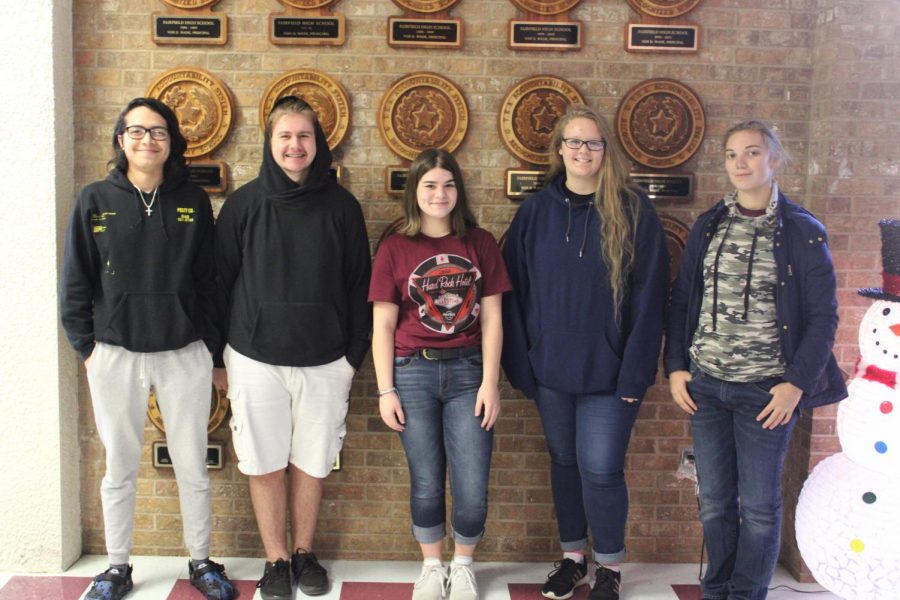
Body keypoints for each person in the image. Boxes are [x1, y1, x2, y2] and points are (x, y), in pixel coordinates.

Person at [60, 98, 236, 600]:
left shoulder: (193, 201)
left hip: (183, 352)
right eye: (136, 131)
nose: (147, 140)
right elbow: (75, 280)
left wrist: (211, 350)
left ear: (171, 143)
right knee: (120, 464)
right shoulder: (94, 199)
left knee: (191, 464)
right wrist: (87, 348)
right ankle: (117, 567)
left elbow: (209, 281)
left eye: (158, 132)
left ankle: (202, 562)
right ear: (121, 140)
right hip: (114, 353)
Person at [664, 119, 847, 600]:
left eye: (750, 153)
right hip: (706, 387)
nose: (739, 164)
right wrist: (676, 367)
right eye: (730, 155)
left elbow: (824, 316)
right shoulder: (709, 226)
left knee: (761, 508)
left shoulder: (802, 231)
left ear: (774, 160)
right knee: (716, 503)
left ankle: (746, 594)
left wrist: (795, 384)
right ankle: (717, 588)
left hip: (765, 395)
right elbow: (683, 300)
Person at [501, 105, 669, 600]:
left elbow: (651, 296)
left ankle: (610, 567)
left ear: (605, 150)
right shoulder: (535, 211)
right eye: (573, 142)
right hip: (550, 371)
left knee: (601, 468)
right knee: (564, 463)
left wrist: (634, 374)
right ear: (559, 150)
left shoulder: (634, 210)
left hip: (611, 374)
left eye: (592, 143)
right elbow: (515, 293)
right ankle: (573, 558)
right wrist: (524, 364)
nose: (582, 151)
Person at [214, 96, 371, 600]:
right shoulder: (243, 204)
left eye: (303, 136)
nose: (294, 145)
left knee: (312, 459)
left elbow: (358, 285)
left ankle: (304, 553)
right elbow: (219, 283)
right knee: (262, 460)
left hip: (326, 359)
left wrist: (352, 358)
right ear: (270, 142)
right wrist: (220, 357)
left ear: (317, 143)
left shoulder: (342, 206)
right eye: (285, 135)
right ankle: (276, 559)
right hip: (254, 355)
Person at [369, 149, 511, 600]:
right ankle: (432, 566)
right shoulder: (395, 247)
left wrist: (491, 381)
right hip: (411, 372)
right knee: (426, 479)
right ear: (415, 191)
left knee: (471, 482)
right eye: (429, 185)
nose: (439, 194)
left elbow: (492, 319)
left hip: (469, 373)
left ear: (459, 191)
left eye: (448, 185)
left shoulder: (481, 243)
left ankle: (463, 563)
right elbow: (383, 326)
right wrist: (385, 388)